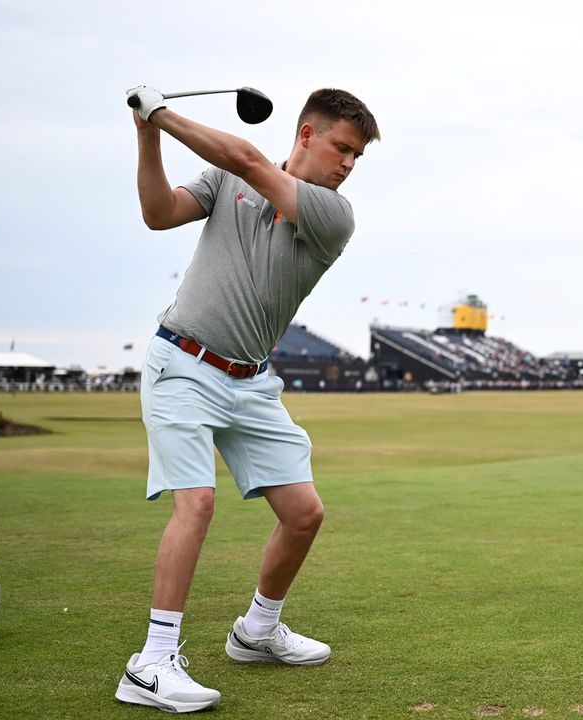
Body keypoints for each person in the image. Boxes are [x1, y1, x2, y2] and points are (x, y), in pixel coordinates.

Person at [114, 85, 379, 714]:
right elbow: (158, 212)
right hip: (182, 361)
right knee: (197, 504)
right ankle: (150, 664)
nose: (347, 163)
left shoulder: (330, 214)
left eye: (358, 157)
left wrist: (161, 112)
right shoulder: (223, 181)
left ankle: (257, 630)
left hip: (250, 382)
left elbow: (251, 164)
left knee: (304, 513)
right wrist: (146, 134)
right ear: (308, 134)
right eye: (342, 147)